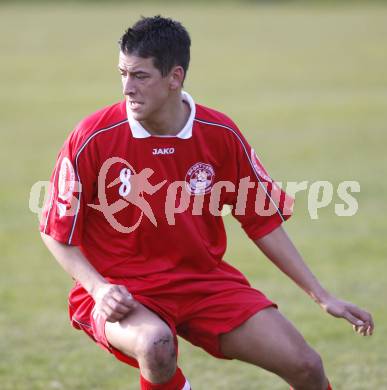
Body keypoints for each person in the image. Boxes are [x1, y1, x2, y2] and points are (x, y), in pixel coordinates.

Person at [40, 15, 374, 390]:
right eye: (122, 74)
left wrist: (322, 295)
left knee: (307, 366)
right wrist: (100, 288)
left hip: (202, 284)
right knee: (156, 346)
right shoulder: (93, 137)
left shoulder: (218, 134)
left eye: (140, 76)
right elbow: (56, 231)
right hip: (124, 289)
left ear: (175, 77)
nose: (127, 88)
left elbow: (262, 222)